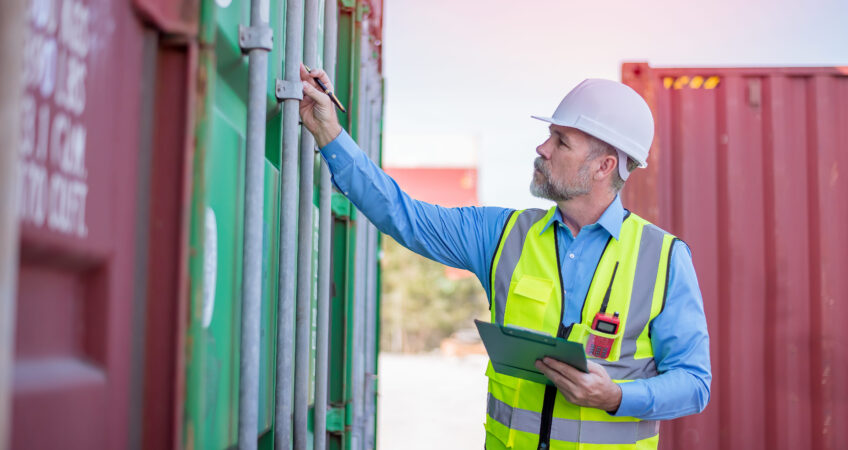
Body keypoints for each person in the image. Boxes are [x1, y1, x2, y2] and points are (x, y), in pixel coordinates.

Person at [299, 64, 711, 450]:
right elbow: (402, 214)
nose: (542, 147)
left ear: (604, 166)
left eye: (561, 141)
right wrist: (328, 133)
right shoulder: (501, 235)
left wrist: (616, 395)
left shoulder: (665, 259)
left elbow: (694, 383)